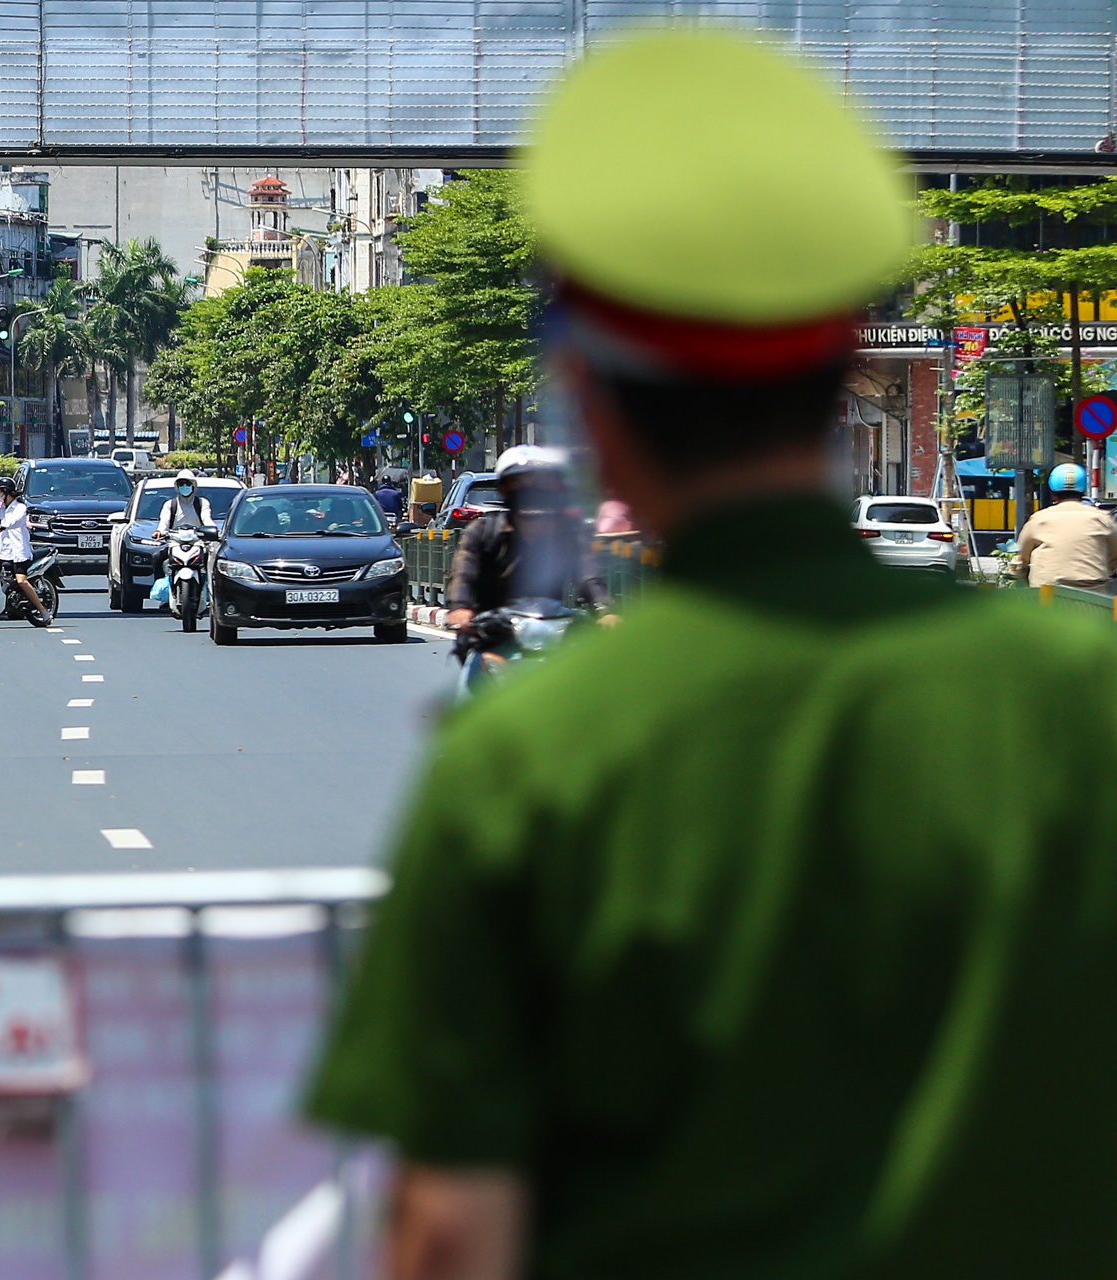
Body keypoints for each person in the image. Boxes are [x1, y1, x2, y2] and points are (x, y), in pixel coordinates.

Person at [307, 29, 1117, 1280]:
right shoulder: (1082, 705)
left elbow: (452, 1236)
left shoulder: (531, 758)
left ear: (589, 393)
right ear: (848, 365)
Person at [442, 445, 611, 632]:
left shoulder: (568, 534)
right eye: (519, 483)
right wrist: (460, 608)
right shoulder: (482, 532)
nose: (530, 492)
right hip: (492, 636)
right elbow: (464, 576)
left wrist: (605, 611)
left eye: (539, 484)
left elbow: (588, 576)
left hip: (551, 634)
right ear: (504, 490)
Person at [1009, 462, 1117, 589]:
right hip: (1094, 594)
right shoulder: (1103, 519)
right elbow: (1113, 558)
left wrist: (1018, 569)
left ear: (1054, 493)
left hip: (1048, 593)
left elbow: (1022, 557)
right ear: (1083, 491)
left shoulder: (1039, 519)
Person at [0, 477, 49, 623]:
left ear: (6, 492)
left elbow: (14, 522)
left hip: (19, 552)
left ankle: (43, 611)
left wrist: (3, 526)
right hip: (2, 550)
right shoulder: (0, 510)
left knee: (21, 581)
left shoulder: (20, 508)